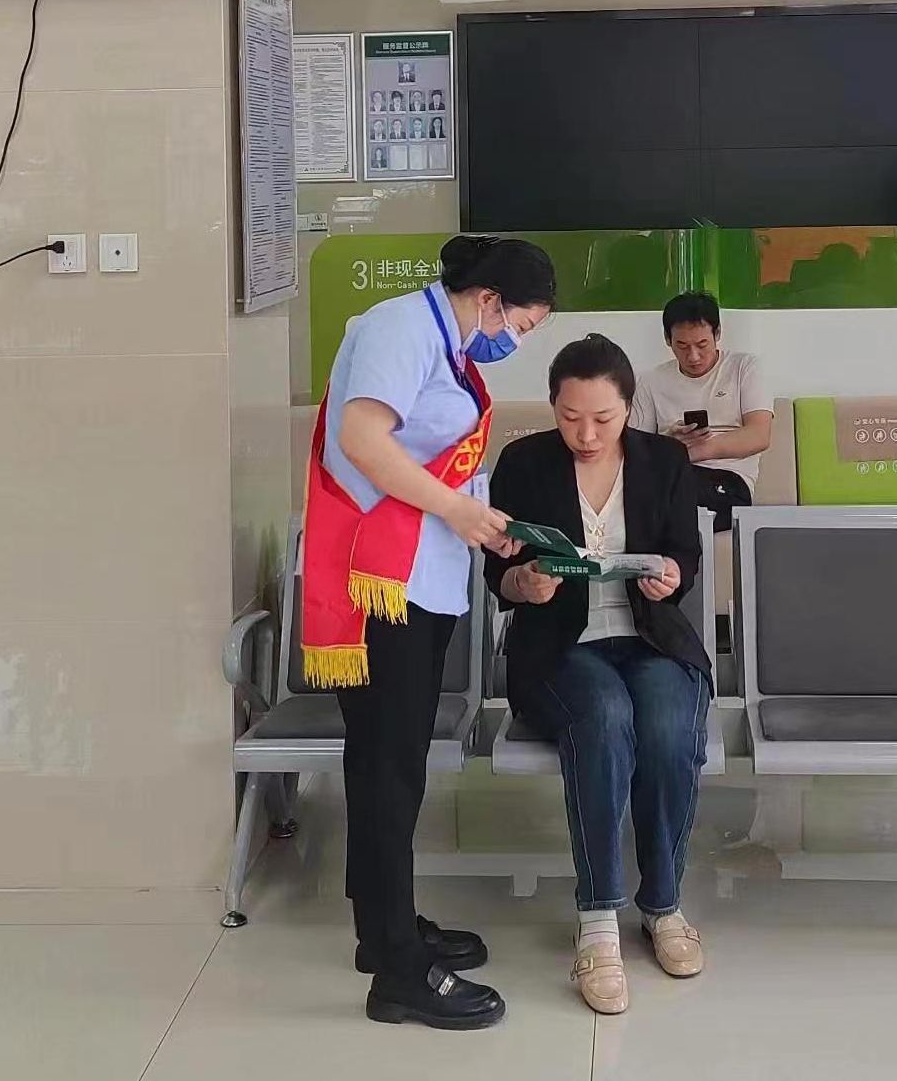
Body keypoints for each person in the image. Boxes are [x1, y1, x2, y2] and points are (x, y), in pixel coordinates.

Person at [303, 234, 555, 1029]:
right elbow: (362, 440)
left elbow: (435, 460)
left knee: (393, 760)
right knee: (388, 767)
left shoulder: (445, 345)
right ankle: (398, 974)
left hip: (419, 576)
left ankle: (385, 930)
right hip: (383, 584)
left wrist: (484, 519)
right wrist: (455, 509)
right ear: (489, 300)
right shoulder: (399, 328)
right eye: (521, 325)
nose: (516, 342)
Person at [487, 336, 712, 1016]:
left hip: (649, 639)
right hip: (561, 650)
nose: (585, 435)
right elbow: (499, 570)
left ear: (629, 408)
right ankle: (598, 920)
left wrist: (669, 577)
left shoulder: (664, 461)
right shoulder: (523, 463)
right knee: (605, 717)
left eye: (603, 419)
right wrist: (524, 583)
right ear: (553, 407)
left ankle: (663, 904)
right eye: (570, 417)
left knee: (668, 727)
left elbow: (684, 556)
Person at [628, 292, 772, 531]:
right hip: (669, 476)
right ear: (667, 340)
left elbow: (759, 435)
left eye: (702, 344)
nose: (693, 356)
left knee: (664, 496)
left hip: (728, 482)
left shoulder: (743, 368)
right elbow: (634, 449)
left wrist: (688, 453)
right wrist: (669, 444)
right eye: (682, 346)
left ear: (717, 334)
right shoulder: (650, 381)